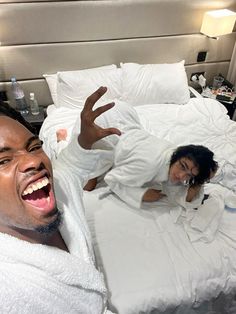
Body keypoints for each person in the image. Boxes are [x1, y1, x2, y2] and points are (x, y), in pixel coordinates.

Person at [0, 87, 121, 314]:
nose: (32, 161)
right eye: (3, 161)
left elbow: (71, 168)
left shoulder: (60, 188)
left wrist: (84, 140)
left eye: (34, 147)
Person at [104, 128, 218, 209]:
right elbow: (112, 179)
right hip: (121, 136)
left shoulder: (175, 161)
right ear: (177, 156)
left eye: (189, 175)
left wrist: (201, 179)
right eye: (183, 166)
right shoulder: (149, 165)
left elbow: (183, 197)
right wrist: (142, 195)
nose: (181, 176)